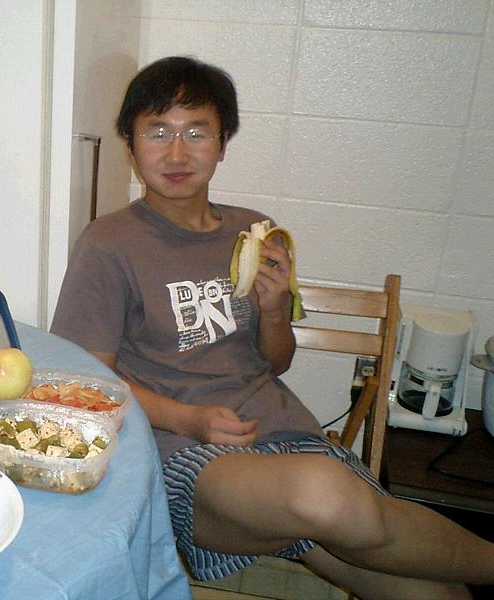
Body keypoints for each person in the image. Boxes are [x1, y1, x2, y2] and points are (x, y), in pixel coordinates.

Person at [50, 56, 494, 600]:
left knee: (434, 592)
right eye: (158, 132)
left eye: (197, 133)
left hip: (281, 433)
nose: (177, 153)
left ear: (223, 143)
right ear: (130, 142)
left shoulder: (253, 232)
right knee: (325, 497)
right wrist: (190, 419)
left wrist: (277, 308)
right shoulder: (108, 243)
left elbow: (277, 361)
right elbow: (87, 382)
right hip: (184, 453)